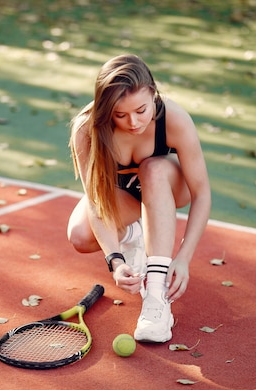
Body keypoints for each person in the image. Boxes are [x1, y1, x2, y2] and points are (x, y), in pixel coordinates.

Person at [67, 54, 211, 343]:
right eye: (120, 115)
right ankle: (135, 234)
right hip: (125, 197)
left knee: (153, 168)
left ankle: (157, 300)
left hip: (170, 188)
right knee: (81, 236)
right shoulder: (87, 129)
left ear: (153, 95)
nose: (133, 122)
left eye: (142, 110)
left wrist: (183, 257)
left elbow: (202, 193)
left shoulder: (174, 119)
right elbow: (97, 200)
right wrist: (116, 261)